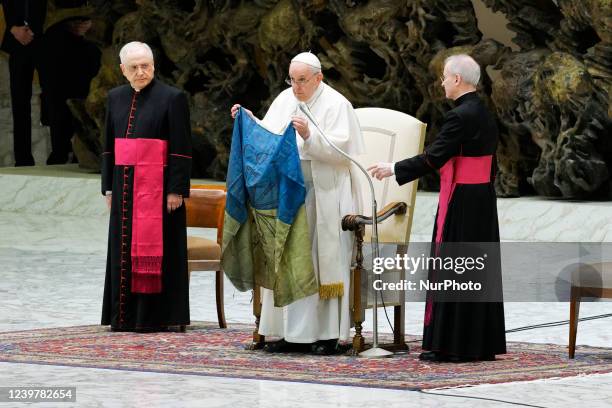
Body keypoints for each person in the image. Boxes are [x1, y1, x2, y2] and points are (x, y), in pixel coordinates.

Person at [368, 54, 506, 362]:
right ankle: (480, 344)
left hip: (461, 201)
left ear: (457, 79)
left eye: (444, 77)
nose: (442, 82)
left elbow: (435, 157)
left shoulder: (459, 116)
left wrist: (394, 168)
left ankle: (455, 345)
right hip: (482, 199)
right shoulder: (484, 112)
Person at [230, 52, 365, 355]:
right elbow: (269, 134)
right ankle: (287, 333)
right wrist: (248, 119)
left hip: (324, 194)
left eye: (302, 80)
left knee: (317, 262)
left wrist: (310, 135)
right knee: (286, 260)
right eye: (292, 79)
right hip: (289, 194)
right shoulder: (284, 99)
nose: (296, 86)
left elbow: (343, 153)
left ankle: (326, 335)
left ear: (319, 77)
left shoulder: (337, 104)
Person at [101, 41, 192, 332]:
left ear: (153, 65)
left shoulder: (172, 97)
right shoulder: (115, 98)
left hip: (160, 191)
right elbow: (108, 146)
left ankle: (157, 317)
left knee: (161, 252)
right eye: (134, 67)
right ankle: (123, 316)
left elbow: (181, 147)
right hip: (124, 186)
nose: (141, 72)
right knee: (123, 251)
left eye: (146, 66)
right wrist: (109, 188)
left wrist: (176, 189)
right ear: (122, 70)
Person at [38, 5, 101, 164]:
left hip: (85, 54)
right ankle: (61, 152)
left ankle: (79, 152)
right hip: (57, 46)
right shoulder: (53, 41)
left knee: (83, 103)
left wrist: (90, 23)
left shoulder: (91, 47)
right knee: (58, 103)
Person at [0, 0, 48, 166]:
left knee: (54, 96)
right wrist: (13, 28)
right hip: (16, 40)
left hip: (47, 38)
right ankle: (23, 159)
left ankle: (60, 154)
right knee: (19, 102)